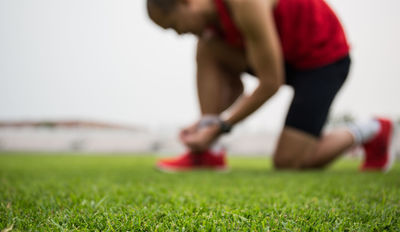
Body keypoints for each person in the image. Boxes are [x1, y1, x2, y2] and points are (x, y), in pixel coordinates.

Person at [146, 0, 397, 172]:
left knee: (289, 162)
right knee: (207, 47)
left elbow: (270, 83)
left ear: (186, 2)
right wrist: (207, 125)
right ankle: (209, 153)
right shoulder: (214, 24)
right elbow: (233, 89)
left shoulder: (244, 4)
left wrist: (222, 126)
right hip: (286, 53)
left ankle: (373, 129)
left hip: (323, 59)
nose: (177, 33)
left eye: (172, 24)